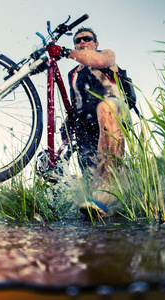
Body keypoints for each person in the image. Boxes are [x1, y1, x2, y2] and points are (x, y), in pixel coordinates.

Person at [52, 27, 132, 216]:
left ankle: (109, 190)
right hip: (86, 128)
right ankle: (103, 208)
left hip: (113, 114)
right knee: (91, 178)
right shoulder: (73, 74)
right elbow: (75, 102)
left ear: (96, 43)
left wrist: (64, 52)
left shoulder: (105, 56)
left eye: (87, 39)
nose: (81, 43)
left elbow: (97, 60)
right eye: (77, 41)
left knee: (105, 107)